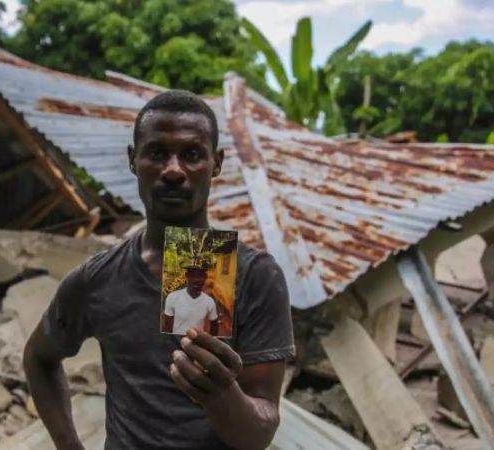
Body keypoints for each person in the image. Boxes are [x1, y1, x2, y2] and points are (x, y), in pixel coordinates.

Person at [23, 89, 294, 449]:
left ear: (217, 163)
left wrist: (222, 395)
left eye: (192, 154)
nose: (173, 170)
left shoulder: (257, 278)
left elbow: (259, 434)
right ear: (134, 160)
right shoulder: (96, 280)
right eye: (156, 153)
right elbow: (39, 358)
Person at [162, 260, 219, 336]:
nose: (196, 280)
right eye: (192, 275)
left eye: (200, 276)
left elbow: (214, 327)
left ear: (205, 277)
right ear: (186, 275)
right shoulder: (172, 297)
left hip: (198, 342)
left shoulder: (209, 302)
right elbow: (167, 326)